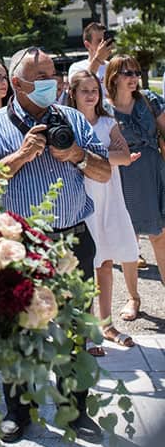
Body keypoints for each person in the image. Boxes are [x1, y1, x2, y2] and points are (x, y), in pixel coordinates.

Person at [0, 46, 111, 443]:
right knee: (18, 329)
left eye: (54, 73)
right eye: (43, 76)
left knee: (75, 328)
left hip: (72, 240)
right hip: (19, 243)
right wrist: (20, 156)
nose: (54, 82)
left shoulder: (73, 120)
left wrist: (78, 155)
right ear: (17, 83)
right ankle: (18, 410)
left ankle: (74, 409)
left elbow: (103, 172)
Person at [68, 71, 140, 349]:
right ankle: (87, 330)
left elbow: (124, 156)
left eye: (94, 90)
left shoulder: (108, 123)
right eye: (84, 90)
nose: (90, 95)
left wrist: (85, 156)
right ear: (73, 94)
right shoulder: (68, 123)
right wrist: (105, 158)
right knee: (84, 264)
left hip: (108, 196)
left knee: (106, 262)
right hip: (79, 198)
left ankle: (106, 324)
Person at [105, 54, 165, 285]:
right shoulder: (103, 108)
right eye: (127, 73)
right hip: (125, 176)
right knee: (129, 241)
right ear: (113, 76)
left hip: (155, 169)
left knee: (159, 236)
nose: (134, 78)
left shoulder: (149, 99)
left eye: (136, 73)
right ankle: (133, 297)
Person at [67, 21, 113, 95]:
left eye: (105, 41)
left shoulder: (112, 66)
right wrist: (98, 59)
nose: (103, 45)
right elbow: (80, 86)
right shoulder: (76, 67)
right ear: (87, 45)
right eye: (99, 41)